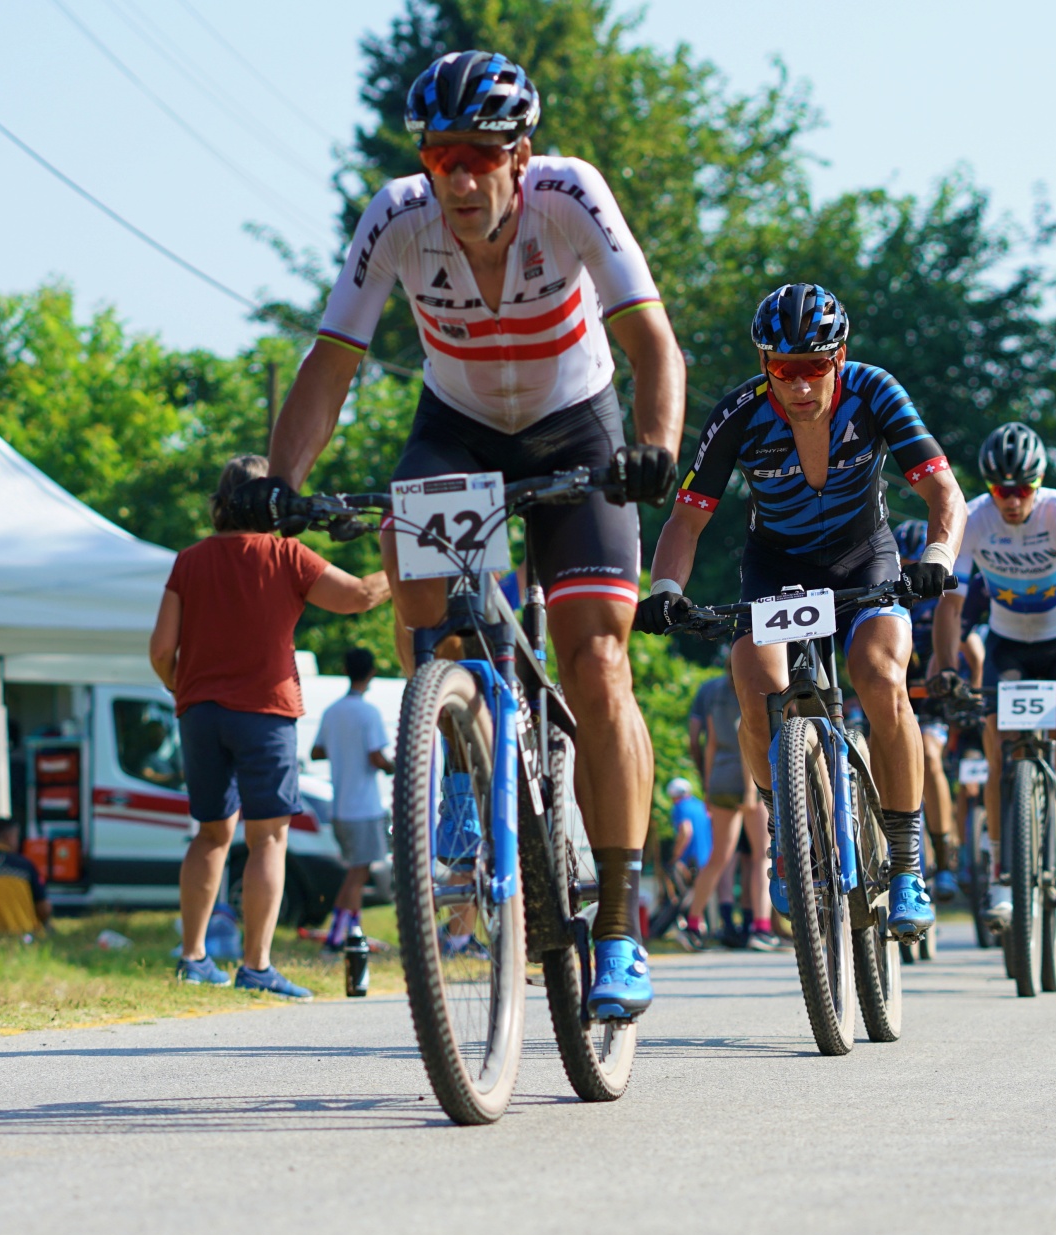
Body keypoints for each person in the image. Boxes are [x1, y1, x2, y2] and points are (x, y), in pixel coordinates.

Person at [233, 51, 684, 1022]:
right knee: (433, 619)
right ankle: (465, 747)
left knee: (598, 661)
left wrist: (654, 445)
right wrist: (282, 483)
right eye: (445, 156)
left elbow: (652, 341)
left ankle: (616, 923)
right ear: (426, 162)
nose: (463, 177)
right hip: (459, 428)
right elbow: (331, 360)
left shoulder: (571, 196)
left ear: (519, 157)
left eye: (483, 155)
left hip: (577, 425)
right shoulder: (399, 216)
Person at [638, 283, 967, 942]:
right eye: (784, 369)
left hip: (863, 559)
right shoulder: (740, 413)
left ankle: (906, 865)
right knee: (753, 682)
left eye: (814, 367)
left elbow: (943, 492)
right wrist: (665, 587)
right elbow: (687, 517)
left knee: (878, 676)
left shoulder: (874, 392)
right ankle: (788, 825)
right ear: (765, 365)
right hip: (778, 568)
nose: (800, 384)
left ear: (839, 357)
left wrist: (936, 553)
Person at [151, 455, 390, 997]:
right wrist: (406, 570)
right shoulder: (286, 554)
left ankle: (193, 959)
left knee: (211, 833)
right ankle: (255, 966)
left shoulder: (188, 561)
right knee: (269, 838)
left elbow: (161, 648)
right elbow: (356, 597)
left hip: (201, 712)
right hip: (265, 711)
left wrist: (180, 686)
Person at [930, 423, 1056, 937]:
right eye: (1000, 490)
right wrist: (945, 666)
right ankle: (998, 869)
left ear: (1038, 483)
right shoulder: (973, 518)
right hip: (1009, 644)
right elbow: (951, 601)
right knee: (998, 746)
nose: (1011, 501)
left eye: (1021, 489)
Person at [678, 659, 776, 950]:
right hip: (748, 778)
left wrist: (708, 787)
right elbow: (747, 739)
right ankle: (761, 926)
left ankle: (692, 923)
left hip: (719, 778)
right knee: (762, 855)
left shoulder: (714, 694)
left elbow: (707, 742)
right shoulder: (750, 691)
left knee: (719, 856)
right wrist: (749, 790)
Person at [895, 519, 962, 904]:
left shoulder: (943, 598)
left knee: (931, 757)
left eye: (914, 564)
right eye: (901, 565)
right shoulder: (888, 596)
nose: (909, 574)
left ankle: (945, 855)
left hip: (932, 700)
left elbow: (969, 646)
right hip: (896, 695)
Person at [312, 646, 395, 952]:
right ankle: (336, 934)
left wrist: (341, 748)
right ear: (371, 672)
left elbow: (316, 751)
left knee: (356, 870)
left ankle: (352, 930)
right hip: (364, 808)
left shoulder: (332, 711)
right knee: (358, 873)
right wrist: (394, 766)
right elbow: (376, 756)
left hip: (339, 807)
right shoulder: (368, 712)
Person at [666, 777, 710, 906]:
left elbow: (686, 831)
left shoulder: (680, 807)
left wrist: (676, 856)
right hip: (707, 857)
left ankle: (690, 921)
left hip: (691, 859)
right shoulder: (701, 805)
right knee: (704, 894)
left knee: (687, 896)